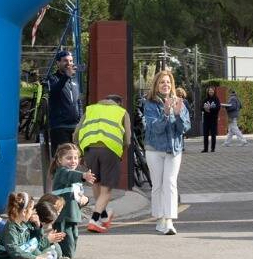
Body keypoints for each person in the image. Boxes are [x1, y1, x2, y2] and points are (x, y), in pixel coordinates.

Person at [140, 70, 190, 236]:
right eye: (162, 82)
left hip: (174, 150)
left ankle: (168, 219)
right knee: (158, 185)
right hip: (154, 149)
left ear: (172, 85)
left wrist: (177, 113)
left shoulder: (179, 102)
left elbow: (185, 128)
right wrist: (166, 113)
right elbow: (154, 129)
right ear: (156, 85)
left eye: (168, 82)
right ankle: (159, 217)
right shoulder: (150, 104)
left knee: (170, 182)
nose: (165, 85)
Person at [75, 94, 130, 233]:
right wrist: (120, 152)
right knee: (106, 189)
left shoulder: (91, 109)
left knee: (96, 183)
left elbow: (76, 133)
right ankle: (94, 220)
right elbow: (127, 140)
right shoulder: (121, 112)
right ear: (118, 103)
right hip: (110, 150)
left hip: (90, 149)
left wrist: (80, 152)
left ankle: (104, 216)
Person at [0, 192, 52, 259]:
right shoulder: (10, 228)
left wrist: (38, 226)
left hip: (24, 254)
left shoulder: (24, 223)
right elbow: (14, 251)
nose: (33, 212)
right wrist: (35, 258)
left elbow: (36, 240)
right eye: (32, 209)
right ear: (24, 212)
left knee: (47, 257)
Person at [50, 144, 94, 259]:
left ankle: (62, 257)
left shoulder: (75, 178)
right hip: (63, 216)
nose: (73, 161)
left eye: (75, 158)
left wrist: (85, 200)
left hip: (73, 216)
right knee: (66, 243)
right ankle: (61, 257)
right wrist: (84, 175)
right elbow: (70, 175)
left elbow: (77, 197)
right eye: (69, 158)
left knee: (73, 239)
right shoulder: (62, 173)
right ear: (60, 160)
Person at [45, 50, 82, 152]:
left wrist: (80, 121)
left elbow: (78, 102)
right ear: (58, 63)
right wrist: (66, 76)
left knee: (75, 158)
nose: (69, 63)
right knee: (62, 157)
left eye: (71, 61)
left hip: (74, 127)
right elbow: (55, 91)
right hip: (60, 127)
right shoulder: (52, 79)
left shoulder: (74, 81)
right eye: (65, 61)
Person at [200, 88, 221, 153]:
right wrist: (204, 109)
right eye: (210, 91)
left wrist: (210, 109)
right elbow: (201, 107)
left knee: (213, 134)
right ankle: (205, 148)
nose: (211, 92)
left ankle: (213, 148)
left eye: (212, 91)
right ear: (208, 92)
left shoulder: (216, 99)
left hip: (213, 119)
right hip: (206, 119)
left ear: (214, 92)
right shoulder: (205, 99)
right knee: (205, 134)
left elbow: (218, 107)